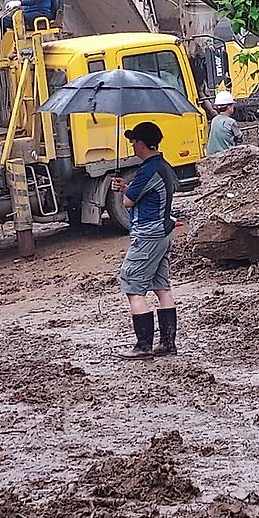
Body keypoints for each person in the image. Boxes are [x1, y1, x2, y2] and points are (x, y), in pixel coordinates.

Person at [111, 121, 179, 359]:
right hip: (163, 233)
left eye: (133, 141)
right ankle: (168, 343)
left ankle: (143, 346)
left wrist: (125, 192)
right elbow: (147, 194)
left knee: (132, 287)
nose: (132, 145)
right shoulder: (164, 166)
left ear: (141, 143)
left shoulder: (148, 169)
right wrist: (127, 188)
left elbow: (129, 202)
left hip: (147, 236)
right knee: (162, 287)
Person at [206, 90, 243, 156]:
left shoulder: (214, 120)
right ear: (229, 107)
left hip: (211, 154)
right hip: (225, 155)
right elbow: (239, 138)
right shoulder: (231, 122)